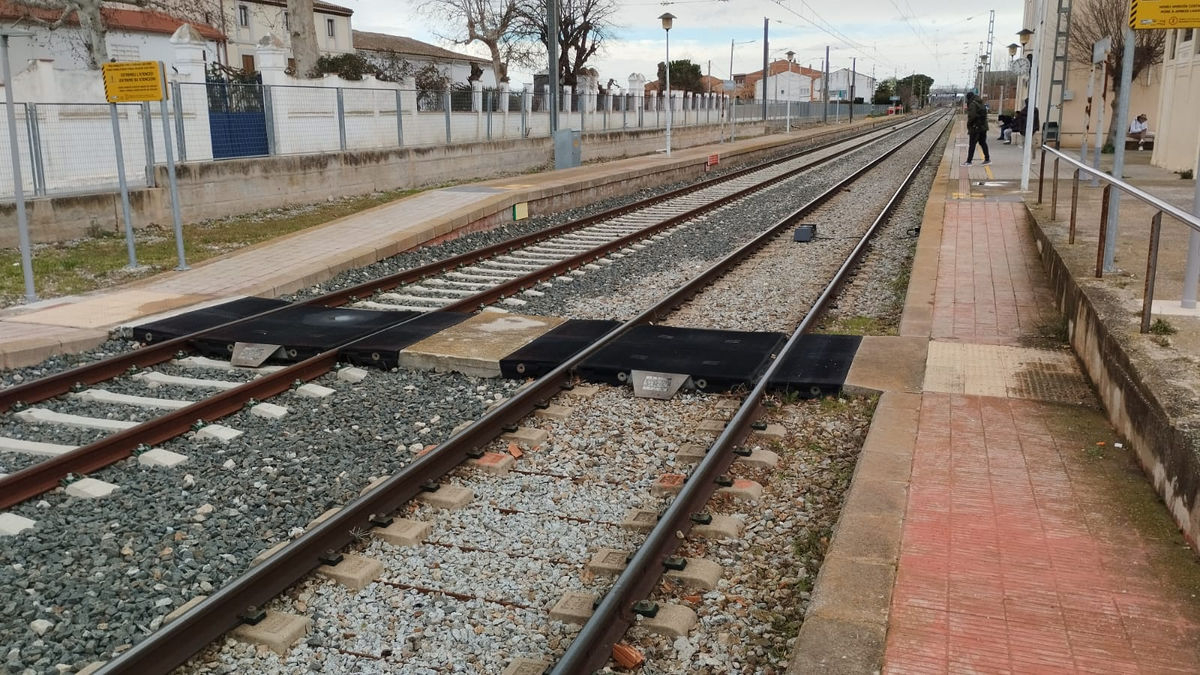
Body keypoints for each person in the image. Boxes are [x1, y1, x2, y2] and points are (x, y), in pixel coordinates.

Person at [963, 92, 990, 166]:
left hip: (976, 127)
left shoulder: (973, 104)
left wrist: (969, 124)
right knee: (983, 143)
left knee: (972, 144)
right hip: (983, 126)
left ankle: (969, 161)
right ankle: (987, 159)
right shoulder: (980, 102)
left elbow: (972, 116)